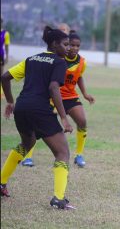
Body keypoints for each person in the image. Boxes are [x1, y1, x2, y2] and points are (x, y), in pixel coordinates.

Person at [0, 26, 76, 210]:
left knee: (27, 143)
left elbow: (4, 77)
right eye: (65, 44)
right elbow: (53, 88)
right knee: (62, 153)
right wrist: (64, 118)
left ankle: (1, 183)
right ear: (54, 44)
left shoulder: (31, 59)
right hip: (40, 110)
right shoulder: (59, 62)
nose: (68, 48)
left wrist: (10, 101)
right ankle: (59, 199)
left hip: (22, 107)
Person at [21, 30, 95, 168]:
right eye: (71, 45)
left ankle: (79, 155)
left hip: (71, 96)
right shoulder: (58, 59)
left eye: (77, 46)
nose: (74, 48)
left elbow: (79, 77)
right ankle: (28, 157)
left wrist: (85, 94)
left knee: (82, 121)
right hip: (55, 96)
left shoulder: (82, 62)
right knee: (39, 126)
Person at [1, 17, 11, 97]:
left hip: (1, 55)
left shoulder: (5, 33)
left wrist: (7, 56)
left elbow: (7, 46)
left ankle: (1, 93)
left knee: (1, 74)